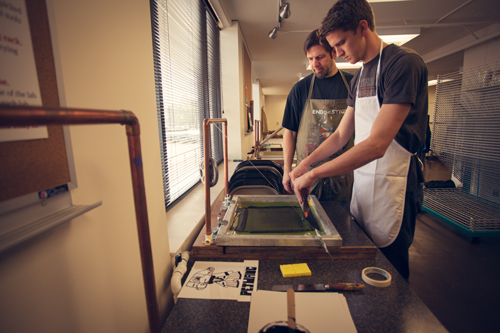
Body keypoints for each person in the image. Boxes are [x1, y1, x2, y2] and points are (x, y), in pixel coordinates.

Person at [289, 0, 428, 281]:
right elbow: (341, 135)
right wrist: (302, 166)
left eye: (340, 44)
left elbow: (377, 145)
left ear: (362, 28)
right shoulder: (361, 76)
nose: (336, 53)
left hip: (395, 185)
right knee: (361, 267)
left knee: (391, 276)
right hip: (364, 186)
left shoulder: (402, 64)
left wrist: (314, 173)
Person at [281, 29, 354, 204]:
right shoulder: (300, 89)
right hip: (307, 176)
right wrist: (286, 170)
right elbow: (289, 133)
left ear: (334, 53)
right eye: (310, 59)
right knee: (310, 222)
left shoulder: (353, 84)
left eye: (320, 57)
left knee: (344, 225)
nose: (315, 64)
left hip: (344, 175)